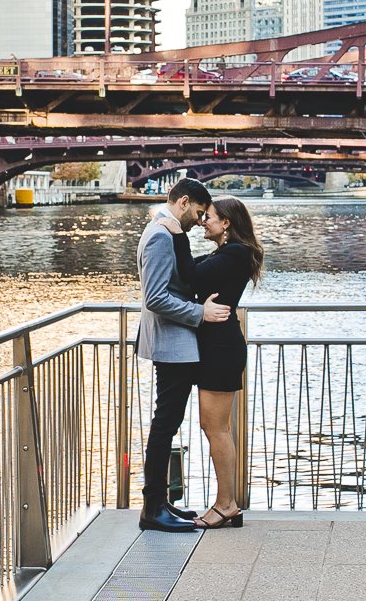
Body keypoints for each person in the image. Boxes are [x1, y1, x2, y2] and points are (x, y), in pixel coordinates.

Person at [160, 196, 263, 530]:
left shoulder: (235, 253)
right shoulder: (225, 253)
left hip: (221, 348)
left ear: (227, 223)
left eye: (209, 217)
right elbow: (193, 274)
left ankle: (226, 504)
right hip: (215, 346)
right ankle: (226, 503)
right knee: (215, 427)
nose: (203, 221)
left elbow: (189, 275)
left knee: (215, 428)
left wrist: (176, 232)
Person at [136, 178, 229, 532]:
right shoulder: (161, 236)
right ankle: (152, 507)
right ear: (184, 202)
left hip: (173, 343)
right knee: (165, 425)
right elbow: (156, 297)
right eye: (199, 212)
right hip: (172, 343)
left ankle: (161, 503)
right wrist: (199, 313)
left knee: (167, 423)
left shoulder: (163, 230)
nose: (200, 221)